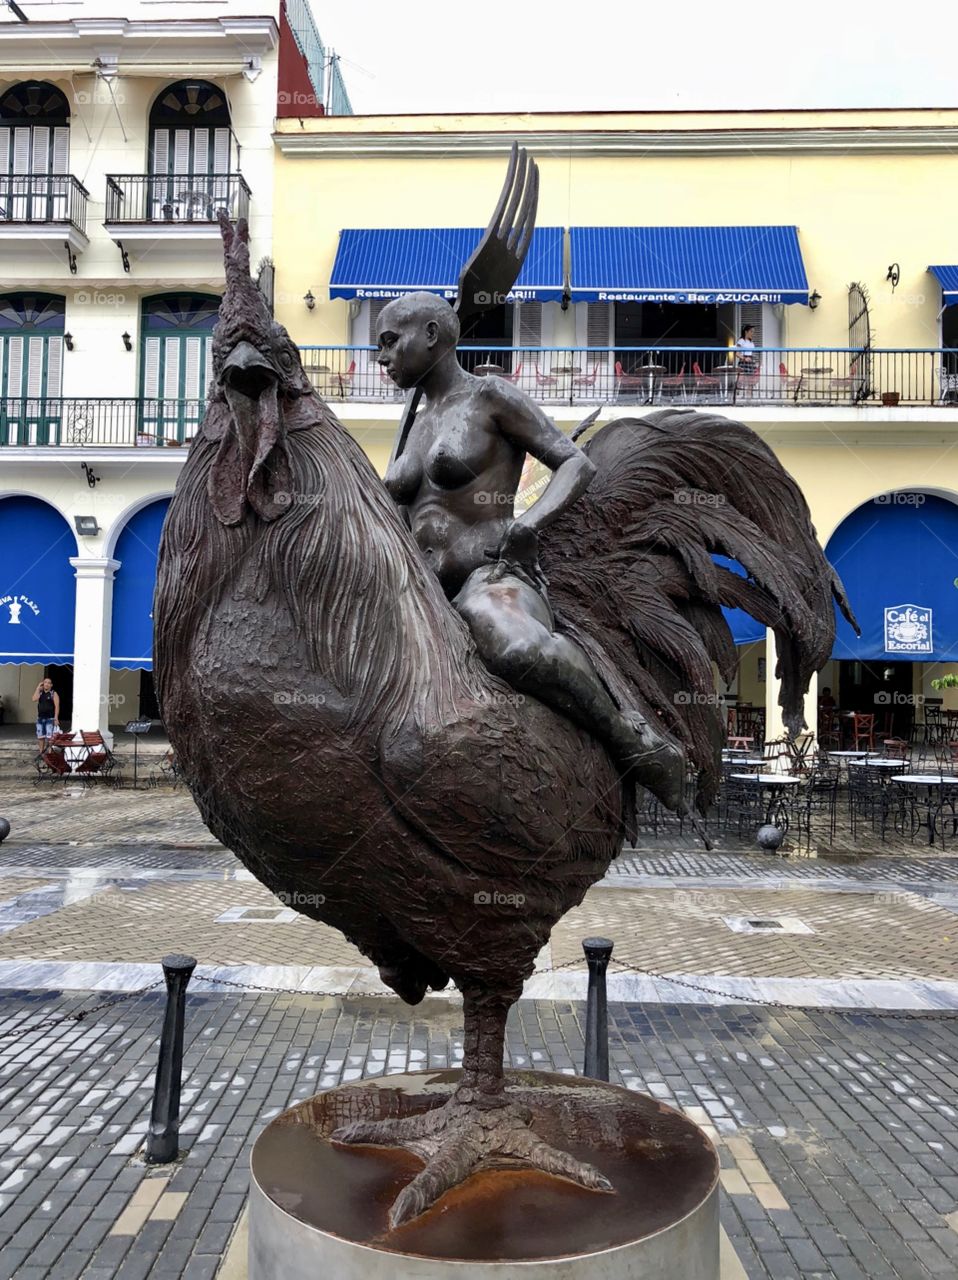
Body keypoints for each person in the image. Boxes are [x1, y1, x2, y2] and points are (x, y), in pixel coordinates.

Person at [378, 292, 685, 811]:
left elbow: (575, 464)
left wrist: (529, 525)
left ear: (431, 335)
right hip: (423, 592)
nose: (380, 358)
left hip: (492, 575)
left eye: (389, 342)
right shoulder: (413, 420)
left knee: (516, 647)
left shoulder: (490, 396)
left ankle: (632, 738)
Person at [32, 677, 60, 753]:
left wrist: (56, 718)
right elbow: (34, 699)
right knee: (41, 737)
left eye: (48, 683)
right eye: (45, 682)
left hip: (50, 719)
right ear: (43, 684)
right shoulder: (40, 693)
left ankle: (49, 753)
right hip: (40, 718)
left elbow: (57, 706)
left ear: (51, 685)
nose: (46, 684)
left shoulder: (53, 693)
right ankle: (41, 753)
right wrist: (38, 688)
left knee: (49, 737)